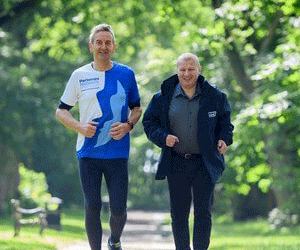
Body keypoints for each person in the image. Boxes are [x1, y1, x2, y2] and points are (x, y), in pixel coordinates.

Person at [56, 24, 142, 250]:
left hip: (117, 151)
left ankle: (114, 240)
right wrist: (80, 126)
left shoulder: (126, 73)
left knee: (119, 208)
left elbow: (137, 108)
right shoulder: (79, 75)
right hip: (88, 151)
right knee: (92, 205)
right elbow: (61, 110)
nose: (103, 47)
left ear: (113, 47)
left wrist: (128, 125)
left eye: (107, 42)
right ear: (91, 46)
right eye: (98, 42)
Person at [143, 53, 234, 250]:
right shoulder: (163, 98)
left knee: (203, 213)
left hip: (205, 162)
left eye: (191, 69)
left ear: (199, 70)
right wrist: (162, 137)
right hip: (176, 161)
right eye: (182, 70)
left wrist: (224, 139)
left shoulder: (215, 97)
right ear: (177, 71)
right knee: (179, 214)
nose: (186, 73)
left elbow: (226, 123)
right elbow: (149, 123)